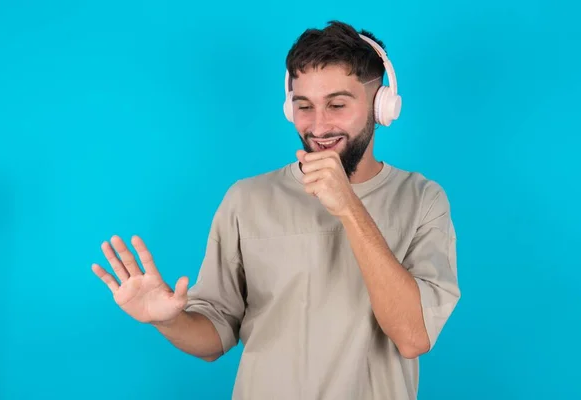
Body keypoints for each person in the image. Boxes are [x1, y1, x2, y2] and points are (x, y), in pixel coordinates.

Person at [91, 20, 461, 400]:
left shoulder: (422, 200)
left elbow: (414, 336)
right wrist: (168, 322)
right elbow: (215, 335)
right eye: (304, 106)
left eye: (337, 105)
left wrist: (349, 207)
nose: (318, 126)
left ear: (382, 105)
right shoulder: (246, 200)